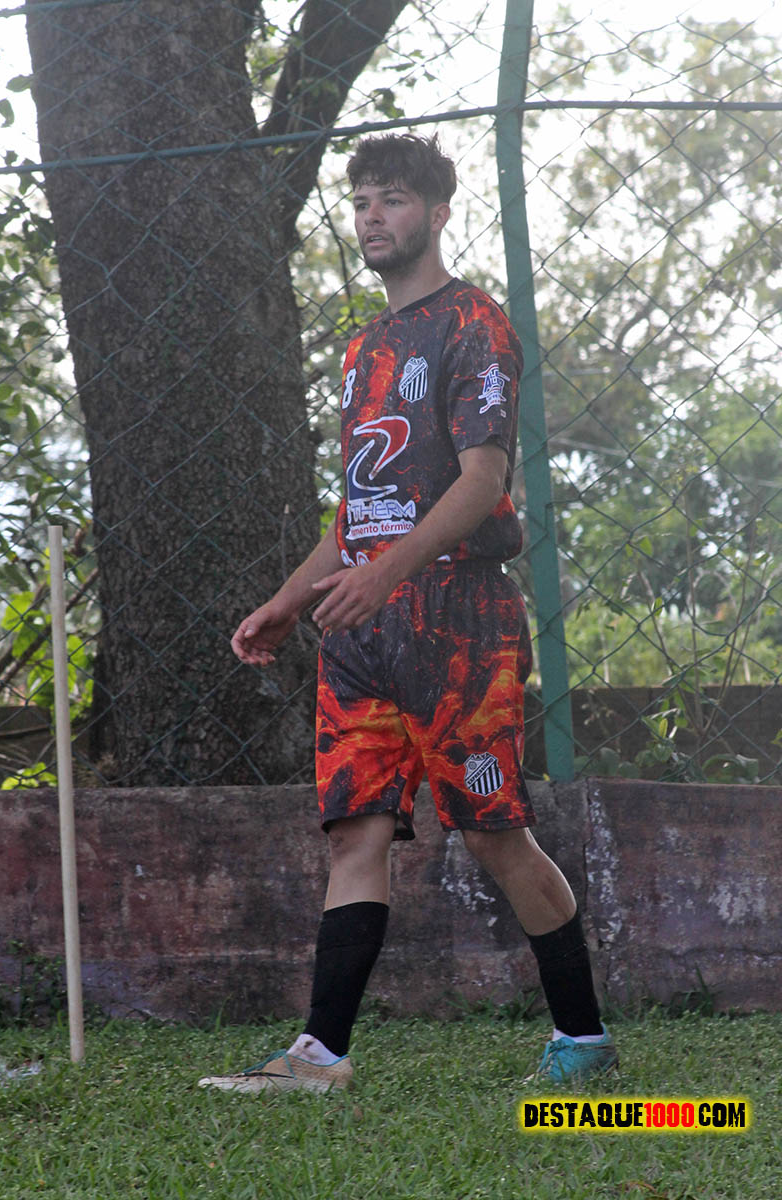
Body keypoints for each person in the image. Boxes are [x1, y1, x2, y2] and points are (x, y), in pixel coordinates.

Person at [198, 133, 617, 1095]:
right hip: (362, 628)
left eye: (390, 199)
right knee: (356, 830)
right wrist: (290, 598)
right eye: (360, 203)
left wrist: (385, 574)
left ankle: (584, 1039)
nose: (372, 218)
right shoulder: (363, 349)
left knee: (494, 832)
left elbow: (482, 482)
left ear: (435, 212)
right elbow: (361, 510)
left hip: (457, 619)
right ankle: (320, 1056)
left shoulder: (475, 324)